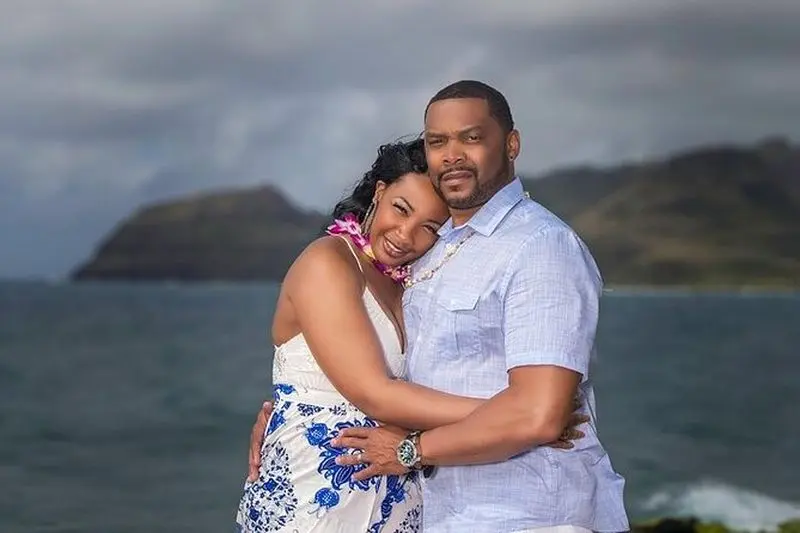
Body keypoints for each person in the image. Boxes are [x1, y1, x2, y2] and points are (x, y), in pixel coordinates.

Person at [250, 80, 630, 533]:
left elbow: (534, 413)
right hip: (377, 486)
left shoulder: (540, 246)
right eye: (438, 141)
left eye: (471, 137)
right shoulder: (428, 258)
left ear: (511, 144)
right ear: (379, 192)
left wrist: (529, 416)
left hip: (524, 509)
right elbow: (377, 386)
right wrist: (288, 405)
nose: (408, 235)